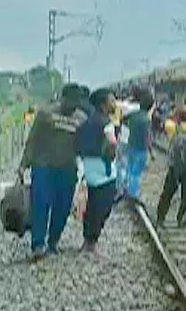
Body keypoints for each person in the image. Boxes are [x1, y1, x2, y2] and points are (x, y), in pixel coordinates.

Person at [18, 83, 87, 261]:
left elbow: (84, 146)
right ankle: (38, 245)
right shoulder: (45, 114)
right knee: (40, 205)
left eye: (76, 102)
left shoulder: (82, 119)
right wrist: (23, 164)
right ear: (62, 98)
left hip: (67, 170)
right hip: (43, 167)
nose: (73, 106)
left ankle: (53, 241)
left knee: (63, 208)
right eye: (70, 101)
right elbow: (32, 140)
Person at [75, 88, 119, 256]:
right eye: (112, 100)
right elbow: (112, 144)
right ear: (103, 105)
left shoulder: (87, 122)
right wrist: (113, 149)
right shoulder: (106, 123)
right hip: (104, 170)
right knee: (103, 207)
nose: (114, 103)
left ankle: (87, 241)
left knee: (91, 206)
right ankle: (92, 242)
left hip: (89, 169)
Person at [156, 105, 186, 227]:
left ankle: (160, 218)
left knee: (167, 193)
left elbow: (165, 121)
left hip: (174, 167)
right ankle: (180, 219)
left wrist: (176, 114)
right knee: (185, 195)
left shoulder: (173, 127)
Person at [126, 89, 155, 204]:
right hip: (141, 149)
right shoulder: (146, 120)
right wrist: (151, 152)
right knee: (137, 173)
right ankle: (134, 195)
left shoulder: (133, 115)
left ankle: (130, 190)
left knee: (131, 170)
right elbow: (148, 137)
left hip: (131, 146)